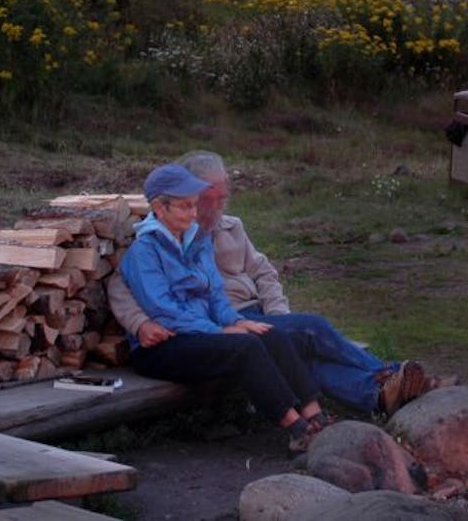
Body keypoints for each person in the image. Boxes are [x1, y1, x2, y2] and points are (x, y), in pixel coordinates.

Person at [109, 151, 442, 416]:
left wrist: (278, 313)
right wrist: (140, 323)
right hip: (220, 327)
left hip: (254, 316)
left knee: (295, 341)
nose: (215, 206)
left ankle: (379, 393)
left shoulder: (231, 228)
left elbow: (264, 272)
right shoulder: (162, 239)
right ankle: (389, 376)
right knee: (311, 328)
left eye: (223, 197)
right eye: (210, 198)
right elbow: (121, 286)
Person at [120, 162, 330, 454]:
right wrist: (220, 331)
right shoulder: (144, 252)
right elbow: (165, 311)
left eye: (194, 205)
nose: (194, 214)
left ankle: (316, 416)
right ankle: (297, 430)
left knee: (271, 334)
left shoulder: (196, 241)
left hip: (199, 334)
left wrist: (233, 319)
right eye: (184, 207)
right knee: (245, 347)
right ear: (159, 207)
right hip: (163, 345)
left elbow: (215, 293)